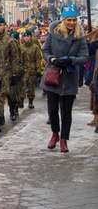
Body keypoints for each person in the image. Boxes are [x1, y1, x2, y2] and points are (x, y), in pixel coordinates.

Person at [42, 8, 89, 153]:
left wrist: (71, 60)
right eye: (69, 20)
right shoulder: (53, 34)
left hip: (69, 78)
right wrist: (52, 59)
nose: (71, 23)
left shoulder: (79, 37)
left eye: (74, 20)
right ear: (63, 21)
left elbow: (85, 57)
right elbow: (45, 51)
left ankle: (64, 140)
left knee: (67, 112)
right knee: (52, 110)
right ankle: (55, 134)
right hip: (53, 75)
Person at [0, 17, 23, 123]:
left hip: (8, 71)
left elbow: (15, 58)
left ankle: (13, 109)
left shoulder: (10, 40)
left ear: (5, 26)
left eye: (1, 25)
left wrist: (15, 74)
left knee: (11, 94)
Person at [20, 29, 44, 110]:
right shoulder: (20, 47)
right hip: (23, 70)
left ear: (31, 37)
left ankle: (30, 102)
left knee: (31, 87)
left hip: (32, 69)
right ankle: (21, 101)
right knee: (22, 86)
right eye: (25, 36)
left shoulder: (35, 47)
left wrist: (38, 70)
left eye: (28, 36)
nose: (26, 38)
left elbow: (38, 59)